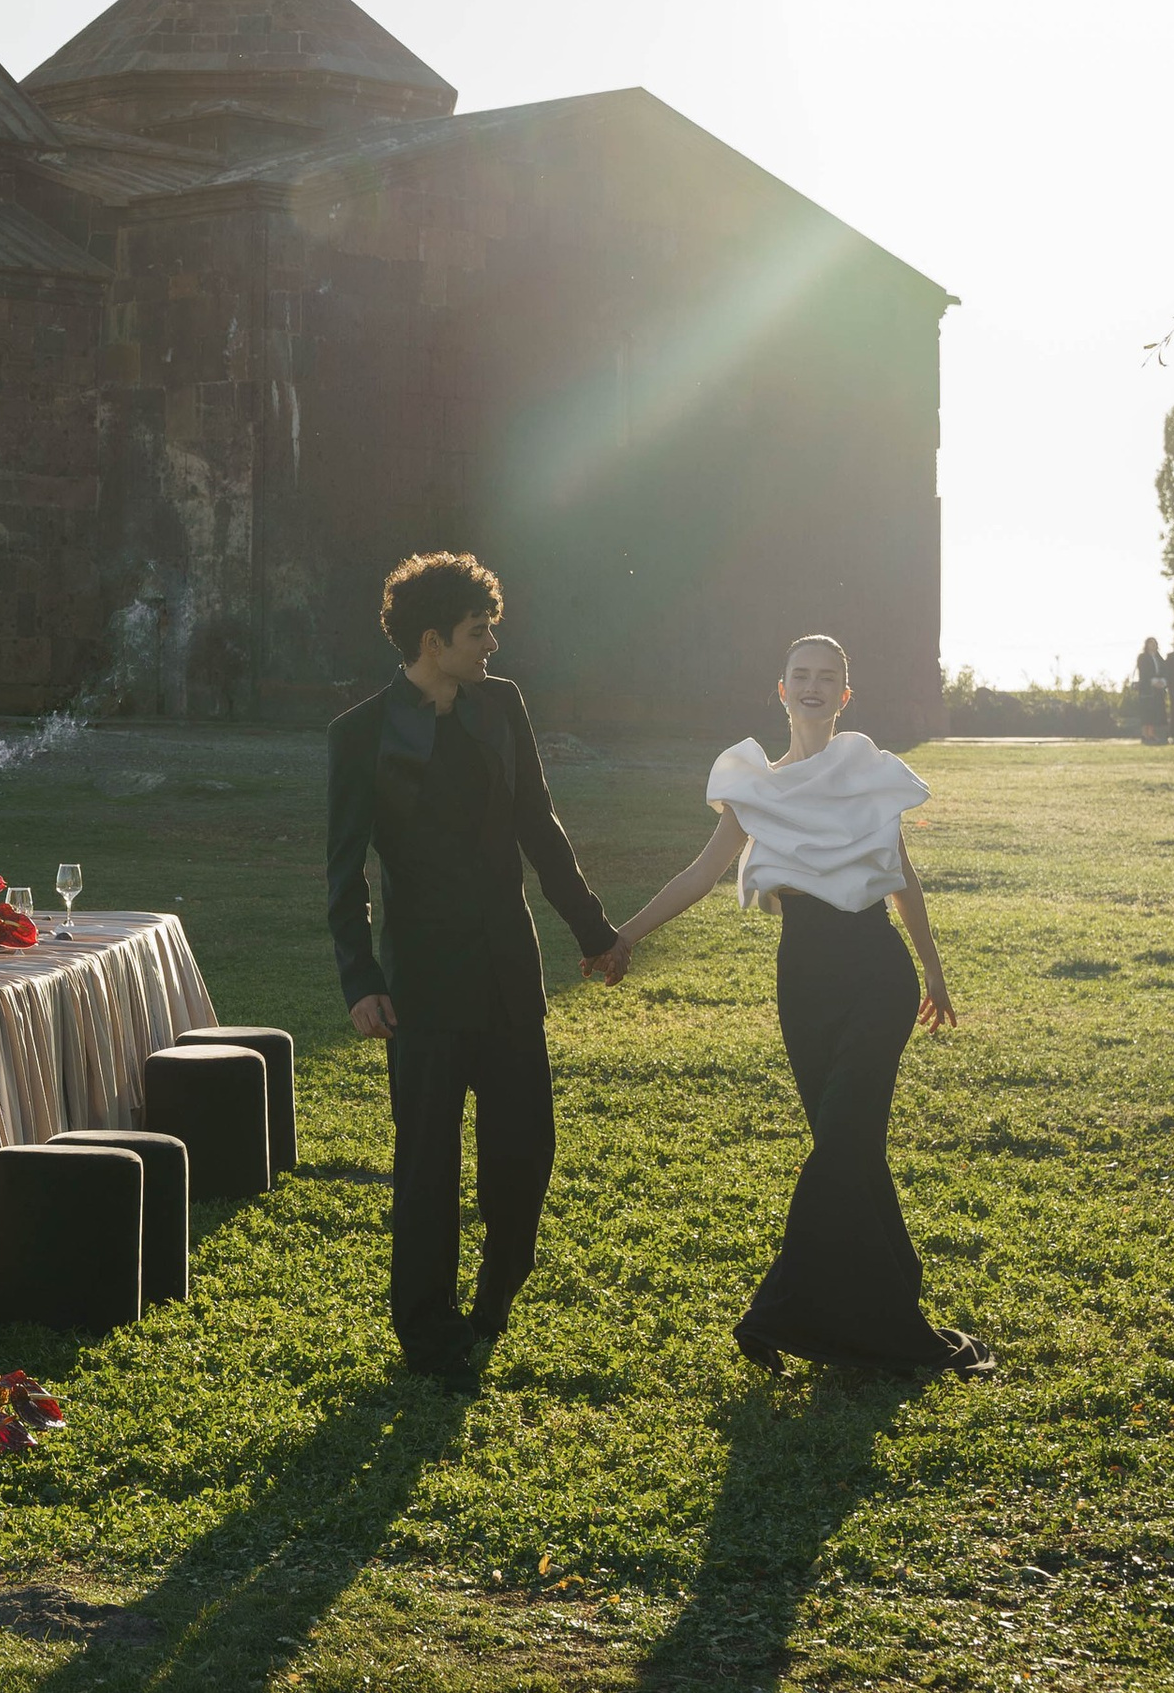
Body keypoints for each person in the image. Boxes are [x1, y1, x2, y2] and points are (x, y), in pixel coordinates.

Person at [613, 632, 995, 1379]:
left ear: (844, 695)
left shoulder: (868, 772)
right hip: (804, 980)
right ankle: (888, 1306)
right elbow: (697, 875)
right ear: (780, 689)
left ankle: (775, 1313)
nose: (813, 687)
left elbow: (902, 878)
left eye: (828, 677)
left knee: (844, 1141)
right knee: (852, 1151)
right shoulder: (754, 785)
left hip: (875, 973)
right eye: (800, 675)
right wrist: (622, 935)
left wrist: (935, 975)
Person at [326, 551, 629, 1387]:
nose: (492, 643)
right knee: (426, 1167)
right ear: (433, 639)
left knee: (525, 1153)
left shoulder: (502, 707)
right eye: (477, 631)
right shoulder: (357, 736)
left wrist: (594, 931)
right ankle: (428, 1338)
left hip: (507, 972)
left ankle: (490, 1307)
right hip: (419, 983)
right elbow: (344, 870)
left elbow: (540, 824)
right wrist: (360, 980)